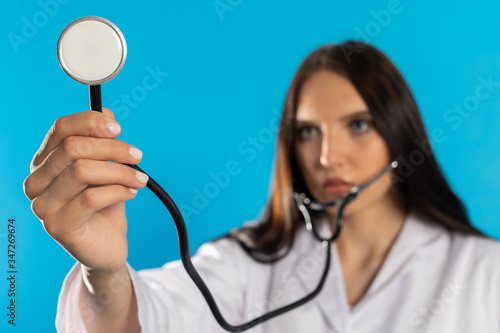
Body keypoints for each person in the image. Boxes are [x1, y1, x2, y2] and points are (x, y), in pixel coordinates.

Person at [24, 41, 500, 333]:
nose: (328, 157)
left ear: (401, 137)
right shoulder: (248, 263)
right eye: (308, 131)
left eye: (358, 125)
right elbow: (144, 322)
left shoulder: (486, 272)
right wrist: (104, 273)